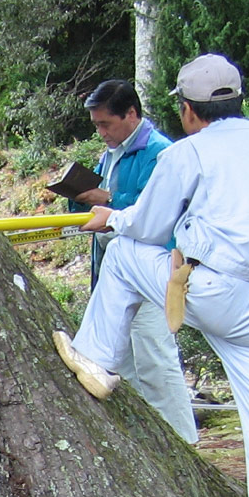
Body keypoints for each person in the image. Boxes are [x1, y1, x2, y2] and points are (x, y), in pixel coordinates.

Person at [53, 54, 249, 497]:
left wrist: (111, 218)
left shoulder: (188, 152)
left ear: (188, 110)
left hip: (215, 287)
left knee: (125, 254)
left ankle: (98, 359)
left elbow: (149, 228)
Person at [62, 80, 196, 444]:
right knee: (124, 365)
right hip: (113, 271)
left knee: (156, 357)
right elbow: (103, 207)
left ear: (132, 114)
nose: (101, 132)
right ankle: (149, 443)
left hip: (153, 271)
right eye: (96, 125)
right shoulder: (111, 154)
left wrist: (108, 198)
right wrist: (79, 197)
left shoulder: (160, 153)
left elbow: (159, 211)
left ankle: (185, 442)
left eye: (106, 123)